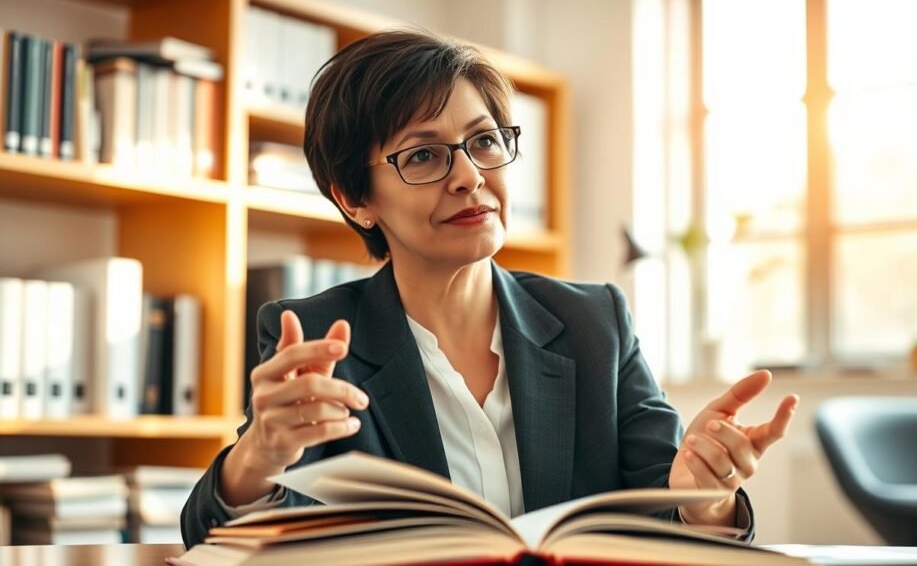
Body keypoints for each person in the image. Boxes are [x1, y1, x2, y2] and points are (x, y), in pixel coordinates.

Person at [180, 28, 799, 549]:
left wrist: (705, 499)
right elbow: (229, 539)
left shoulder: (594, 323)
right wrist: (257, 460)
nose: (470, 176)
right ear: (355, 199)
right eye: (423, 156)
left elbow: (669, 515)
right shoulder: (316, 338)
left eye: (484, 142)